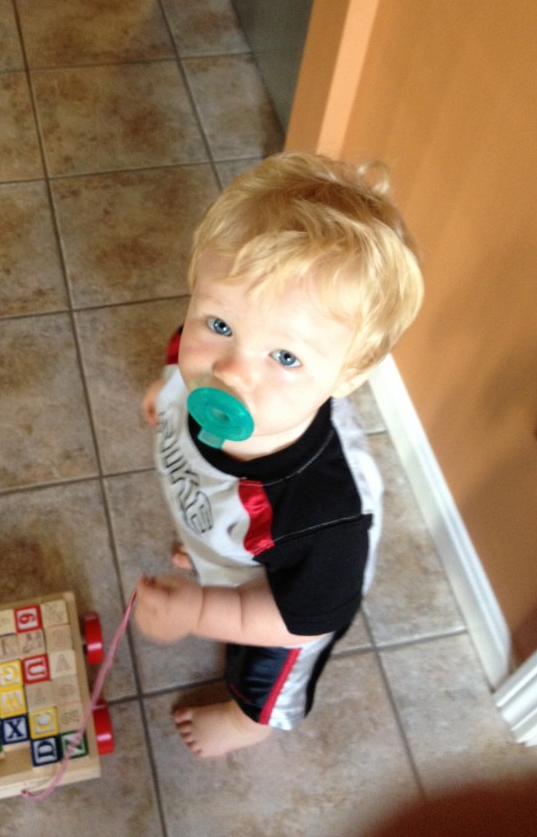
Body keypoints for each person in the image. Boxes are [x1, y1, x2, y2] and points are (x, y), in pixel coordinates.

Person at [134, 151, 424, 758]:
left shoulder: (323, 517)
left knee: (268, 668)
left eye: (286, 357)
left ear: (349, 374)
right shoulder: (200, 356)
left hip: (288, 610)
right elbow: (182, 359)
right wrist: (164, 392)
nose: (231, 370)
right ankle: (221, 555)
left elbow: (300, 620)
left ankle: (250, 723)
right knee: (226, 534)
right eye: (217, 322)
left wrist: (200, 610)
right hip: (232, 537)